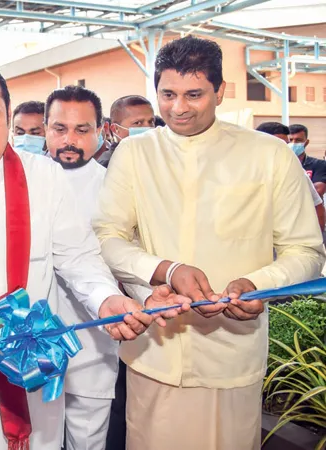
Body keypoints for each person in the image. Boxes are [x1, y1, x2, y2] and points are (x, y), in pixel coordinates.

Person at [0, 62, 190, 450]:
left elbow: (78, 256)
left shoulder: (44, 175)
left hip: (33, 368)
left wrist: (106, 299)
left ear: (8, 115)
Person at [93, 36, 326, 450]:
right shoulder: (134, 153)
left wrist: (257, 286)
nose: (178, 108)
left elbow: (306, 251)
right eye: (168, 94)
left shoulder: (270, 155)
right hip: (156, 353)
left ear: (220, 91)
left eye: (194, 94)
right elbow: (107, 237)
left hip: (232, 354)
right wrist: (166, 270)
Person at [43, 85, 118, 450]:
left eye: (82, 130)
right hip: (32, 343)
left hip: (94, 344)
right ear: (45, 128)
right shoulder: (20, 181)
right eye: (60, 129)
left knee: (87, 441)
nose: (69, 140)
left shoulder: (115, 189)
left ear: (100, 131)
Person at [256, 122, 325, 232]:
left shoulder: (296, 170)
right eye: (279, 144)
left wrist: (319, 237)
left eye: (286, 144)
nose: (286, 148)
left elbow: (317, 202)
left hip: (290, 233)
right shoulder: (244, 169)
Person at [95, 95, 155, 167]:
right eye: (138, 123)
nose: (148, 127)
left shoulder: (155, 155)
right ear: (115, 129)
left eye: (151, 122)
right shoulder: (108, 164)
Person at [290, 124, 326, 194]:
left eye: (298, 140)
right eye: (290, 140)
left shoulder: (319, 164)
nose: (293, 143)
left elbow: (318, 191)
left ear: (306, 142)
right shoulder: (278, 164)